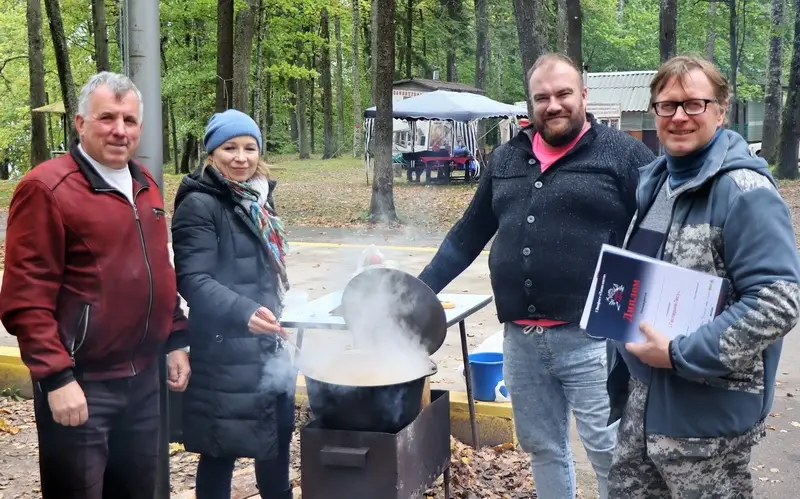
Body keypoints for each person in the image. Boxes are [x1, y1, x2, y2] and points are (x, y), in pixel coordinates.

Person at [417, 53, 655, 499]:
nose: (554, 104)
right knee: (544, 449)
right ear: (531, 103)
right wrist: (417, 291)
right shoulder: (507, 158)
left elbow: (660, 226)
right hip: (521, 342)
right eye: (542, 97)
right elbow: (467, 236)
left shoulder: (622, 154)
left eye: (564, 93)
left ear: (584, 96)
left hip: (594, 338)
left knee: (609, 452)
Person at [606, 55, 800, 498]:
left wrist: (679, 353)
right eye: (667, 105)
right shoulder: (658, 184)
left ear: (720, 109)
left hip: (705, 426)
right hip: (642, 412)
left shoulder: (745, 193)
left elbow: (778, 301)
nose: (679, 116)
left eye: (694, 104)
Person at [0, 71, 191, 499]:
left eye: (129, 120)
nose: (120, 130)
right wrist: (56, 378)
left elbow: (159, 270)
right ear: (81, 123)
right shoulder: (46, 188)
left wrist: (176, 338)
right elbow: (25, 298)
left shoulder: (144, 184)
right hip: (82, 384)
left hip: (143, 380)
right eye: (107, 118)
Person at [171, 109, 295, 499]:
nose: (241, 158)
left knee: (276, 441)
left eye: (249, 148)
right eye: (230, 148)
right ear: (211, 154)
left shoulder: (258, 198)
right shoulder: (198, 204)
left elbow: (264, 272)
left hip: (267, 346)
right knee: (220, 450)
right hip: (223, 351)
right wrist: (244, 311)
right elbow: (193, 279)